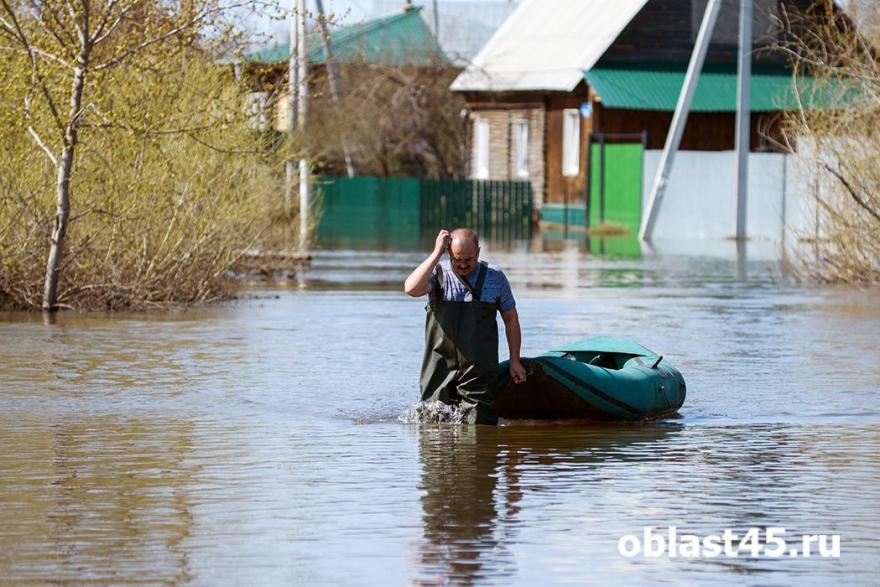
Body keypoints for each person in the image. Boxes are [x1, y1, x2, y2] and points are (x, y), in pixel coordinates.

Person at [404, 228, 526, 424]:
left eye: (468, 260)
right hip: (439, 369)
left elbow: (511, 319)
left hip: (479, 372)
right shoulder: (438, 274)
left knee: (479, 426)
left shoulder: (495, 277)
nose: (462, 265)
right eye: (456, 259)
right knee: (434, 430)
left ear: (478, 252)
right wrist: (436, 253)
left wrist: (514, 360)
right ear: (449, 253)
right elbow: (411, 288)